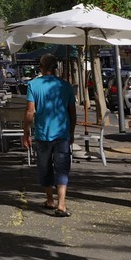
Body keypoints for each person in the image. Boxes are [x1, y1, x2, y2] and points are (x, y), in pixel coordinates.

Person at [23, 53, 76, 216]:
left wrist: (26, 133)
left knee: (44, 167)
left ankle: (50, 200)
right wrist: (71, 132)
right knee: (62, 168)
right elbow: (72, 113)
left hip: (43, 134)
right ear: (55, 67)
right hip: (62, 133)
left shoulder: (33, 85)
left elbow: (30, 112)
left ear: (41, 67)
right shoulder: (66, 86)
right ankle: (62, 204)